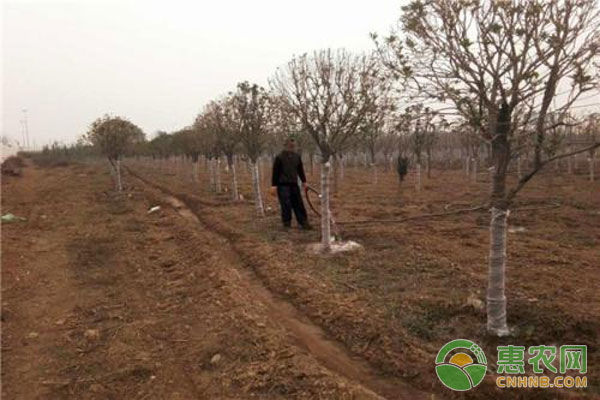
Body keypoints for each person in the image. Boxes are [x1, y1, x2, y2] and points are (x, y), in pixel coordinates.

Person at [271, 138, 312, 229]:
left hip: (294, 184)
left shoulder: (297, 157)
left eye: (293, 146)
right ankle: (287, 224)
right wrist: (274, 185)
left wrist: (304, 182)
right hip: (283, 185)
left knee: (298, 203)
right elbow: (275, 172)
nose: (292, 147)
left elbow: (300, 170)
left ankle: (303, 222)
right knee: (286, 205)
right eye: (290, 146)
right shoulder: (279, 157)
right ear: (285, 145)